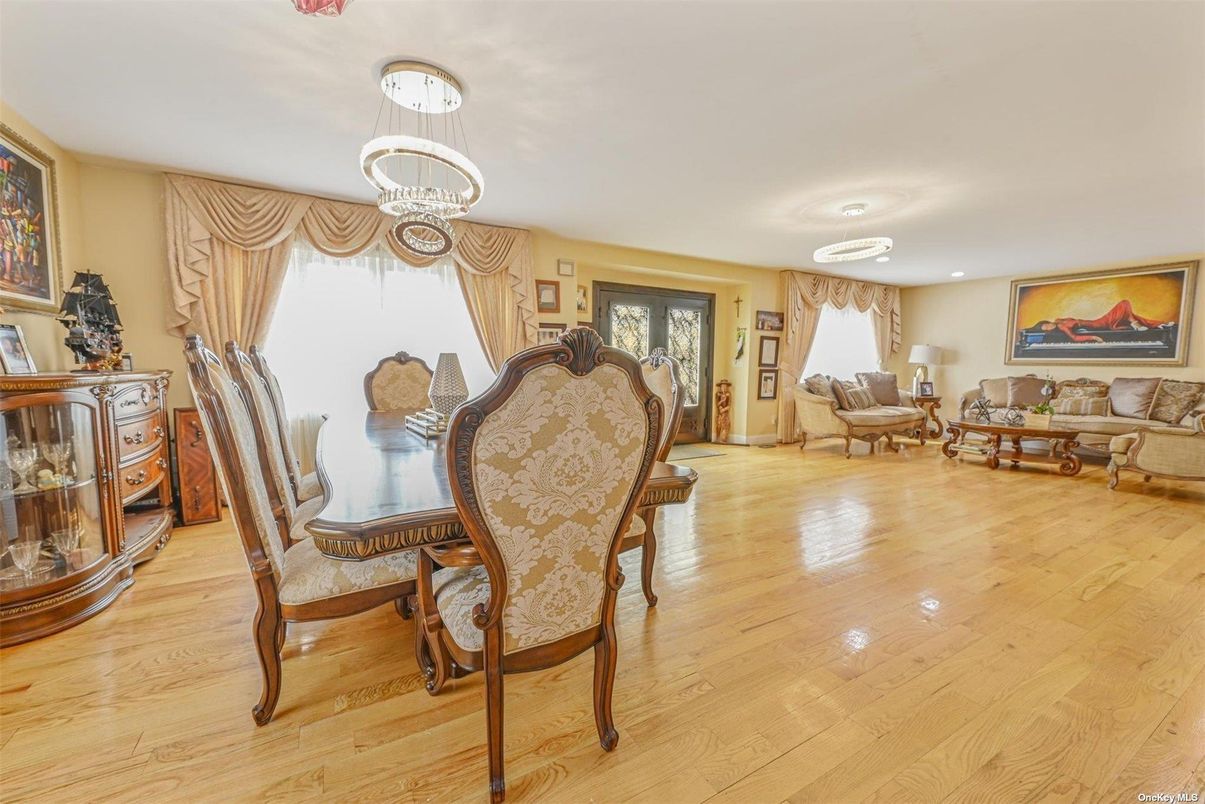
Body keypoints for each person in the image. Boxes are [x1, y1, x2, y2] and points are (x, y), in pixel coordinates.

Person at [1025, 299, 1173, 344]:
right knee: (1124, 304)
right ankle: (1135, 323)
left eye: (1045, 325)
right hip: (1100, 324)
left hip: (1097, 321)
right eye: (1046, 329)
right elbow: (1075, 338)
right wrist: (1093, 337)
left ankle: (1161, 324)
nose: (1048, 327)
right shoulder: (1063, 327)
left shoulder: (1059, 321)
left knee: (1130, 314)